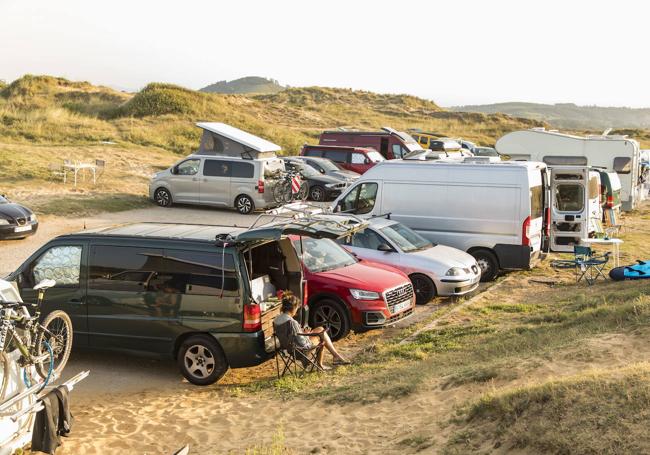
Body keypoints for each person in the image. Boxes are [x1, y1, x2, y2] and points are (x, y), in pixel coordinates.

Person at [274, 292, 350, 369]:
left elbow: (291, 336)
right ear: (293, 308)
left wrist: (304, 333)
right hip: (300, 350)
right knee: (322, 336)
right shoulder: (291, 322)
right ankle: (327, 362)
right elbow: (302, 343)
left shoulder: (276, 320)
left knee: (320, 329)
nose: (296, 311)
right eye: (296, 308)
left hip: (288, 349)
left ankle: (335, 357)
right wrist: (308, 334)